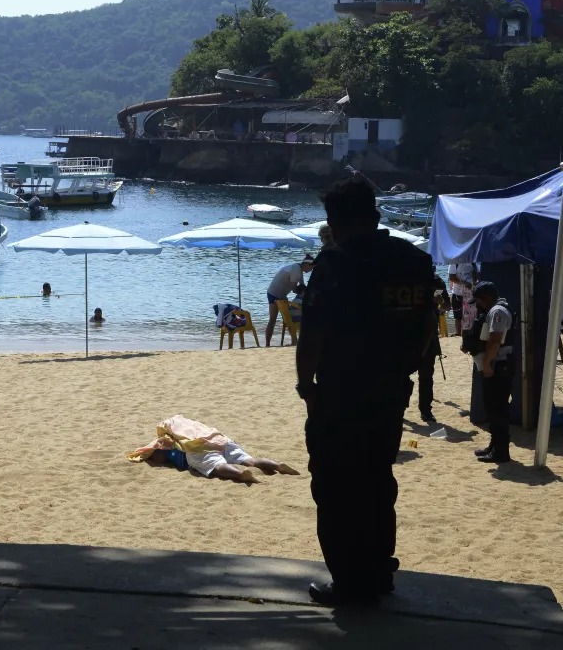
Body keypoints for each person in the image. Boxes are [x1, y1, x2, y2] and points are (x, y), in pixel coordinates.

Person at [296, 178, 436, 606]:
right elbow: (428, 325)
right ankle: (378, 571)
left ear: (336, 222)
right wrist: (405, 367)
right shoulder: (413, 261)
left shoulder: (336, 262)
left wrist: (307, 386)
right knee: (377, 479)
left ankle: (349, 581)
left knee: (336, 486)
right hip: (390, 388)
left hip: (341, 390)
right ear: (374, 215)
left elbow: (313, 333)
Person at [462, 281, 515, 464]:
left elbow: (494, 341)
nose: (478, 306)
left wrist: (486, 364)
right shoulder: (495, 310)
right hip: (498, 364)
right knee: (493, 409)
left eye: (479, 302)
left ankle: (501, 452)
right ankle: (495, 446)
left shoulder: (497, 312)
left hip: (499, 365)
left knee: (497, 409)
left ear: (486, 298)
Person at [145, 444, 300, 484]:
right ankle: (277, 465)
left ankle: (240, 474)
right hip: (220, 440)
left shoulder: (168, 445)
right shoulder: (194, 429)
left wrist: (151, 453)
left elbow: (159, 458)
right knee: (250, 460)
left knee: (216, 466)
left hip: (195, 451)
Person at [416, 277, 449, 423]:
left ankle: (426, 410)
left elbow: (447, 305)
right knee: (400, 375)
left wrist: (440, 301)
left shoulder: (437, 281)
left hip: (429, 334)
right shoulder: (408, 279)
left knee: (427, 375)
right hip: (407, 333)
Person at [265, 255, 314, 345]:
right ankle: (268, 344)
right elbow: (295, 289)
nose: (311, 270)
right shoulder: (295, 270)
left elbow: (302, 286)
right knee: (273, 320)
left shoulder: (298, 270)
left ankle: (294, 341)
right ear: (307, 264)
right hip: (273, 294)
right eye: (311, 267)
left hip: (282, 296)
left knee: (288, 320)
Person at [448, 262, 476, 336]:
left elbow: (476, 275)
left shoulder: (473, 262)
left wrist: (474, 285)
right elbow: (452, 278)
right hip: (457, 293)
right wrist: (464, 283)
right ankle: (458, 334)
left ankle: (469, 333)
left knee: (470, 315)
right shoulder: (454, 262)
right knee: (458, 316)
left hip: (470, 294)